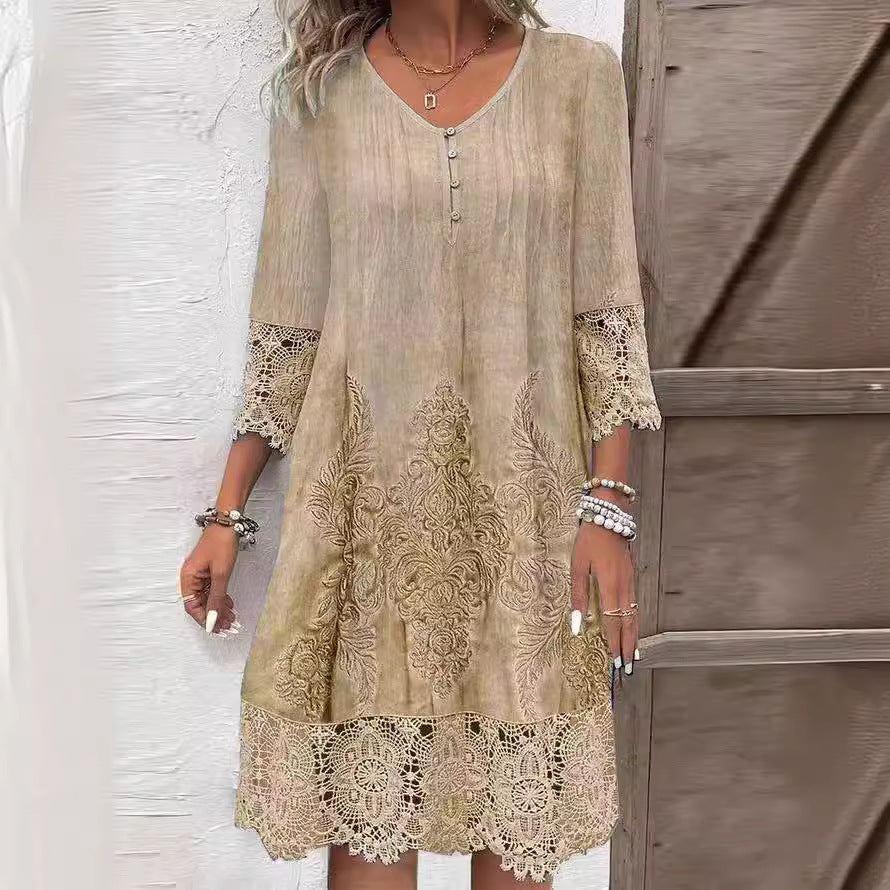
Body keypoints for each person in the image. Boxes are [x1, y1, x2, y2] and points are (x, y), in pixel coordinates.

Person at [179, 1, 662, 887]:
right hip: (367, 523)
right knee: (370, 821)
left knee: (518, 823)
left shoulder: (578, 79)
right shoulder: (322, 95)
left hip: (525, 520)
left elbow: (605, 311)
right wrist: (227, 513)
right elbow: (289, 322)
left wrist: (609, 505)